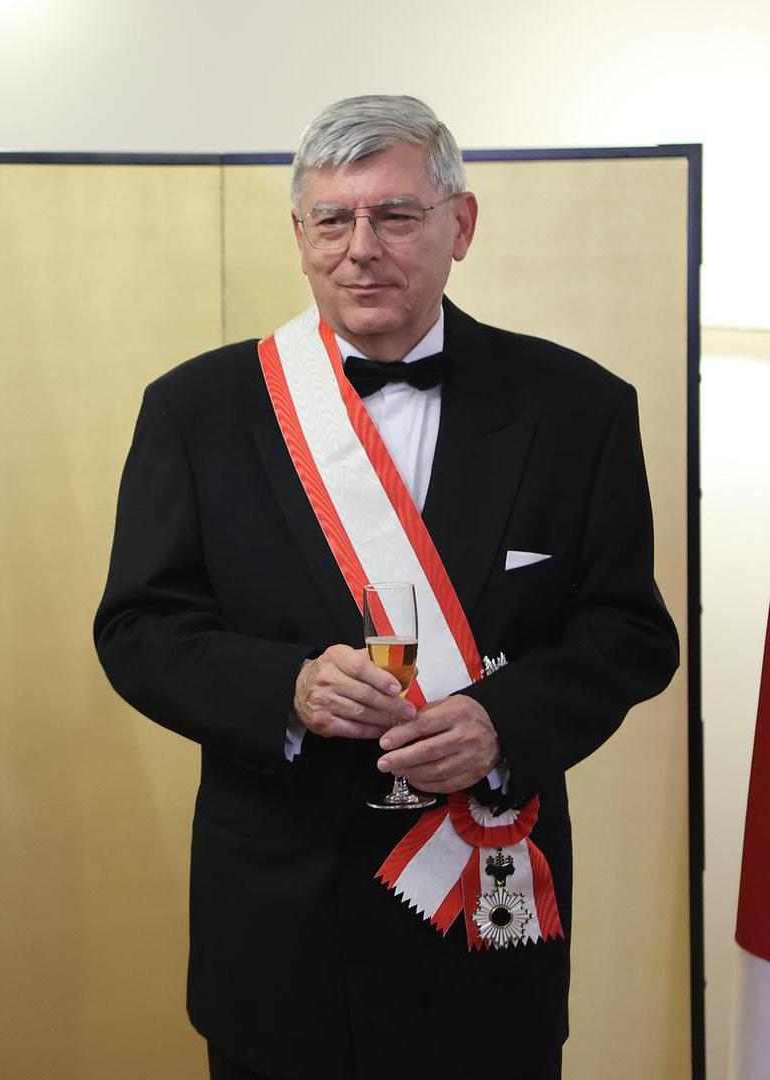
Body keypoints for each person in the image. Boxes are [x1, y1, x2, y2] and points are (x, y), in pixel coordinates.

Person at [94, 94, 678, 1079]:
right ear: (300, 234)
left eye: (395, 215)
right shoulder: (197, 411)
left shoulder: (578, 409)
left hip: (488, 925)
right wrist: (282, 688)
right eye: (334, 218)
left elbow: (629, 632)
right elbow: (140, 630)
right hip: (280, 930)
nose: (361, 247)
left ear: (462, 224)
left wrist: (504, 722)